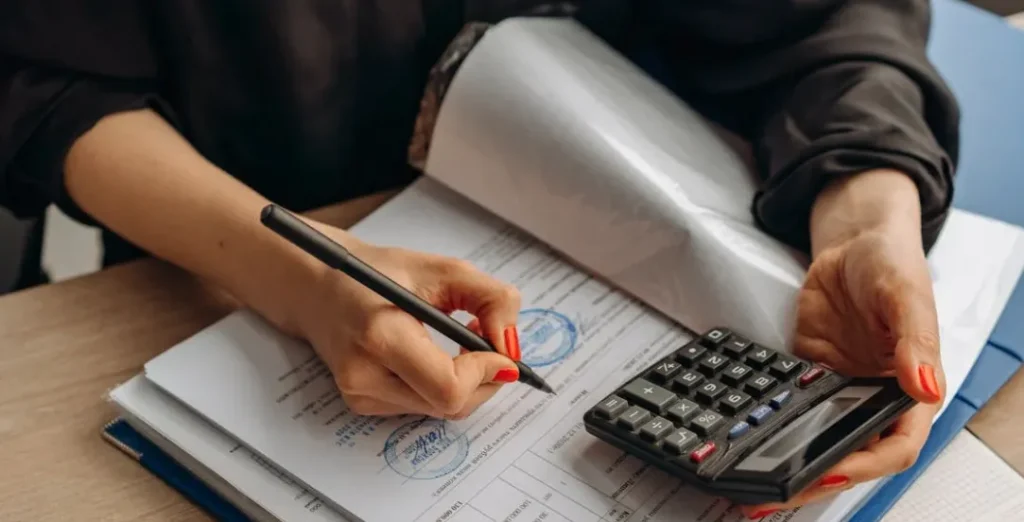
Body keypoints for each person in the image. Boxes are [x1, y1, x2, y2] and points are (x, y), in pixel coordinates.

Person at [0, 0, 957, 517]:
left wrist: (870, 203)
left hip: (623, 185)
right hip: (222, 230)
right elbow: (43, 84)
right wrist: (297, 273)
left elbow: (823, 18)